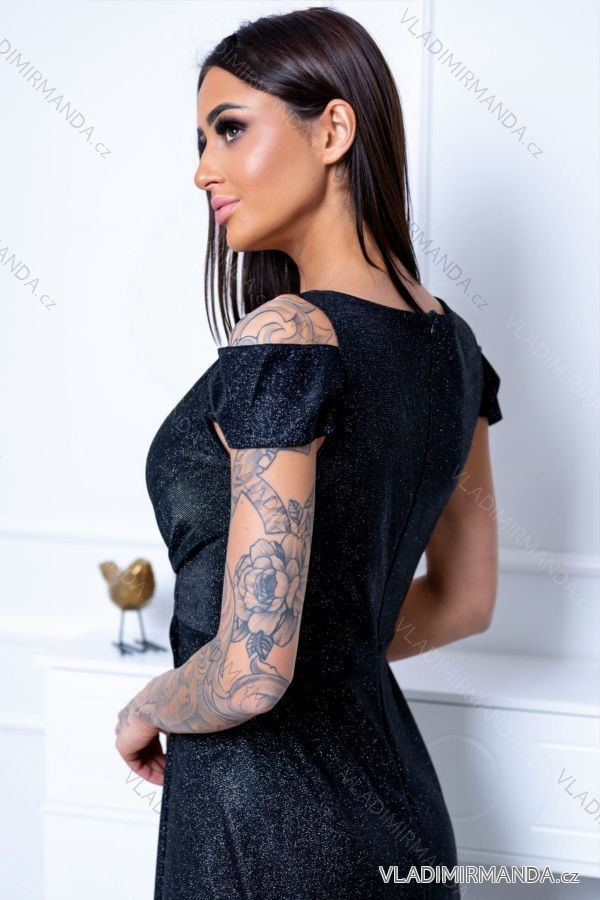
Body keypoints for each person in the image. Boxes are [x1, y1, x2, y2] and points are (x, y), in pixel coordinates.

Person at [114, 7, 503, 898]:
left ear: (333, 130)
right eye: (201, 141)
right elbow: (464, 601)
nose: (202, 169)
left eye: (229, 130)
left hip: (269, 830)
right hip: (400, 818)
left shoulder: (285, 335)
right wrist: (309, 650)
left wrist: (145, 706)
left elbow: (248, 675)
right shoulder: (455, 349)